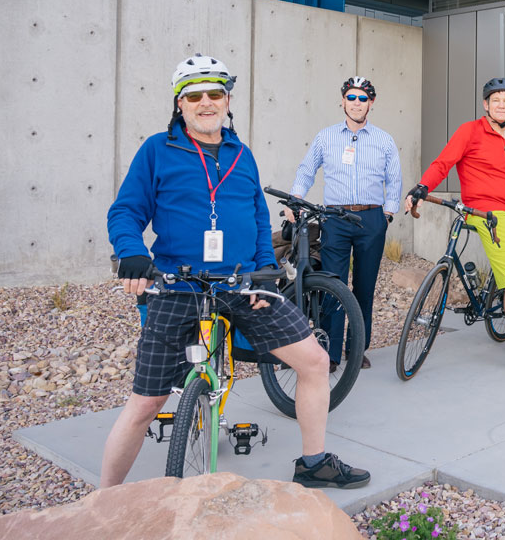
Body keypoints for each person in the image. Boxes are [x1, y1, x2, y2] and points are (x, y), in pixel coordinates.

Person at [104, 55, 369, 489]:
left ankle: (314, 461)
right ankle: (105, 499)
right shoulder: (157, 149)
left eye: (214, 94)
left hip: (242, 284)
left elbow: (256, 218)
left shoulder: (241, 155)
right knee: (145, 402)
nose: (205, 102)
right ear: (180, 103)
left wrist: (266, 269)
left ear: (228, 100)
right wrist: (131, 252)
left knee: (315, 362)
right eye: (194, 95)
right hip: (177, 283)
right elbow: (126, 211)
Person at [403, 78, 505, 374]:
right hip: (484, 212)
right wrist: (422, 186)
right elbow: (442, 163)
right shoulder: (470, 131)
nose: (501, 104)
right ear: (486, 105)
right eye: (495, 99)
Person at [287, 76, 402, 371]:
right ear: (342, 101)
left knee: (364, 286)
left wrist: (387, 215)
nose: (356, 103)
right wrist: (295, 198)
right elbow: (306, 169)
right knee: (333, 284)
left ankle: (357, 347)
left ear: (371, 104)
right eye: (351, 97)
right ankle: (330, 351)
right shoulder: (326, 137)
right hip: (334, 219)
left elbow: (395, 180)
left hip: (371, 218)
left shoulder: (384, 140)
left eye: (363, 99)